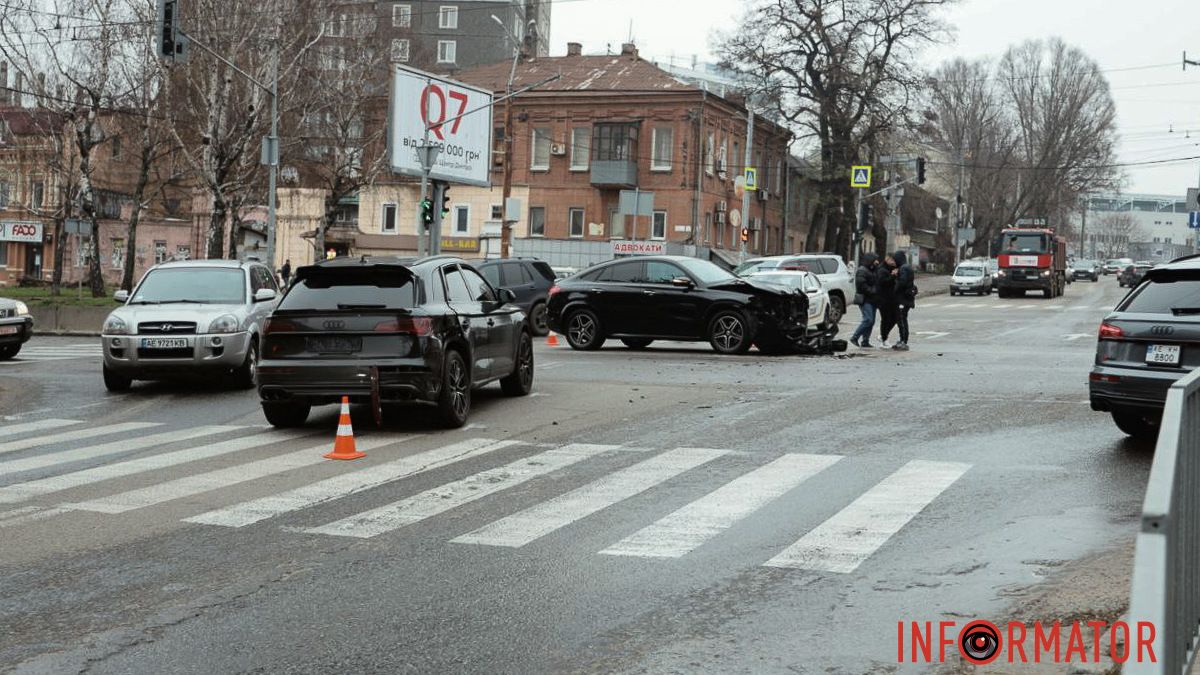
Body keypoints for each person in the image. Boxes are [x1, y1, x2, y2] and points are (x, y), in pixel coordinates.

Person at [849, 254, 880, 348]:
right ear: (870, 260)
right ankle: (855, 337)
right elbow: (861, 285)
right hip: (865, 299)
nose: (877, 262)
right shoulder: (862, 270)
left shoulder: (874, 269)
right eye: (875, 260)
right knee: (868, 319)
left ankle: (865, 341)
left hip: (873, 299)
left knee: (871, 321)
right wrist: (872, 290)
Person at [892, 250, 916, 350]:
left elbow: (902, 282)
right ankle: (902, 339)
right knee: (902, 319)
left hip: (903, 299)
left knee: (901, 319)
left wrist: (894, 290)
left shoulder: (904, 268)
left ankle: (904, 341)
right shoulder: (906, 267)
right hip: (906, 298)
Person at [877, 254, 899, 348]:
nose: (894, 262)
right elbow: (883, 282)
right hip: (883, 299)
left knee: (894, 318)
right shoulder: (882, 270)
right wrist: (893, 275)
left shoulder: (891, 268)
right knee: (885, 319)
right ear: (887, 259)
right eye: (892, 260)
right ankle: (884, 340)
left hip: (891, 299)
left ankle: (883, 335)